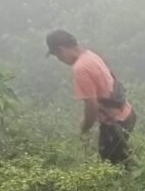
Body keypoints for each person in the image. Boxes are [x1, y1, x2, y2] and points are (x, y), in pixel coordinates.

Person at [46, 29, 136, 168]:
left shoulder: (80, 68)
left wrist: (84, 128)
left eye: (56, 55)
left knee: (112, 169)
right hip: (127, 114)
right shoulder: (90, 55)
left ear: (61, 49)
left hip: (115, 123)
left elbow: (91, 106)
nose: (59, 59)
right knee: (124, 162)